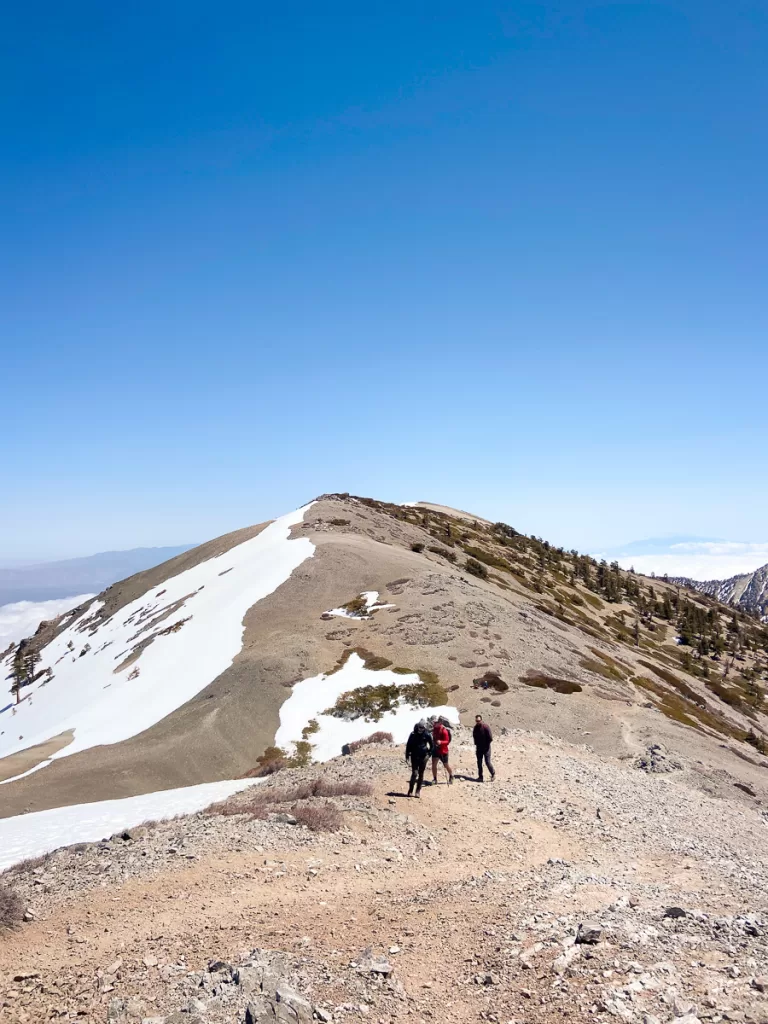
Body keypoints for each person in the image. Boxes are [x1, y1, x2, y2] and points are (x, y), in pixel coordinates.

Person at [405, 720, 433, 798]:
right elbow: (408, 745)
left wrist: (429, 755)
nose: (420, 729)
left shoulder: (427, 734)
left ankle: (418, 791)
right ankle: (410, 790)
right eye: (419, 727)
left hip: (423, 757)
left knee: (421, 774)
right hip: (414, 756)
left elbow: (432, 746)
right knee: (414, 773)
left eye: (422, 728)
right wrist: (407, 756)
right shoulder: (413, 734)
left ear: (424, 727)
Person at [431, 716, 454, 785]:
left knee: (446, 765)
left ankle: (451, 775)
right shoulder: (435, 728)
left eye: (437, 722)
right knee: (434, 764)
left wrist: (441, 742)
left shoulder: (444, 731)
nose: (435, 723)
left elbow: (447, 741)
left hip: (443, 751)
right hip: (435, 749)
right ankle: (435, 779)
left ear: (440, 722)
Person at [473, 714, 495, 782]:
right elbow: (474, 737)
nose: (478, 722)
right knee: (479, 762)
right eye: (477, 721)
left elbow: (490, 738)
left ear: (481, 720)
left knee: (487, 762)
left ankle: (493, 774)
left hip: (486, 748)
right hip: (479, 748)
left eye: (479, 720)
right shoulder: (475, 728)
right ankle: (480, 777)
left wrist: (486, 745)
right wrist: (476, 744)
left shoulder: (485, 727)